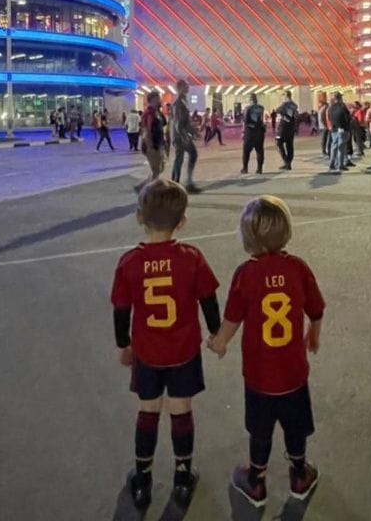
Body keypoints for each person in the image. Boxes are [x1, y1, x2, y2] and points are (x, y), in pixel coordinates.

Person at [110, 179, 220, 509]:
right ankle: (182, 477)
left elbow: (121, 310)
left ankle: (142, 480)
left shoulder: (129, 262)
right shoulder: (191, 257)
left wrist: (123, 345)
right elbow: (208, 299)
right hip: (183, 351)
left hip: (148, 353)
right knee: (181, 410)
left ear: (139, 217)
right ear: (182, 221)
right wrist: (215, 332)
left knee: (148, 410)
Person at [208, 195, 325, 508]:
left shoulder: (247, 274)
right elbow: (315, 307)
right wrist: (313, 332)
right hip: (294, 373)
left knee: (260, 430)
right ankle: (300, 474)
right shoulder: (298, 268)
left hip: (259, 376)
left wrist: (219, 342)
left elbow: (233, 318)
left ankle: (256, 481)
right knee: (295, 425)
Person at [170, 79, 202, 193]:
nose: (188, 88)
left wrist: (193, 131)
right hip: (179, 136)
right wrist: (185, 136)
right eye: (185, 86)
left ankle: (183, 183)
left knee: (185, 157)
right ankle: (176, 185)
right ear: (179, 88)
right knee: (181, 158)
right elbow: (178, 123)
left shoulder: (183, 101)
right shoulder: (178, 103)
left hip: (182, 135)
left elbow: (185, 122)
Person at [135, 91, 167, 191]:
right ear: (153, 99)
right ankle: (149, 193)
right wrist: (150, 146)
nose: (160, 100)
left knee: (160, 168)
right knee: (156, 170)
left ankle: (142, 187)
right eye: (158, 98)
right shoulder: (149, 113)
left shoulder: (158, 112)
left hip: (159, 143)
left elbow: (163, 127)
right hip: (152, 145)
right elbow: (146, 130)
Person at [240, 93, 266, 174]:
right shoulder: (261, 108)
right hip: (259, 132)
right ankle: (259, 169)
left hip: (250, 133)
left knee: (246, 151)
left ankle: (245, 168)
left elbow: (245, 121)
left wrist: (243, 132)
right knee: (260, 151)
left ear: (250, 99)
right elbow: (262, 120)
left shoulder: (247, 108)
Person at [328, 92, 351, 172]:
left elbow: (329, 118)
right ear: (340, 98)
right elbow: (347, 117)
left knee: (334, 146)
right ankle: (340, 165)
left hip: (334, 129)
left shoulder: (331, 108)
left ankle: (332, 163)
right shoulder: (342, 107)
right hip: (343, 129)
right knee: (341, 147)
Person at [275, 91, 298, 171]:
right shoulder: (294, 105)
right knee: (290, 146)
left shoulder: (285, 104)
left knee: (278, 143)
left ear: (286, 96)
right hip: (291, 128)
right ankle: (289, 163)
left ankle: (286, 161)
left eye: (283, 96)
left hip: (283, 127)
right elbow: (296, 117)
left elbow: (277, 110)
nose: (282, 98)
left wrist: (283, 114)